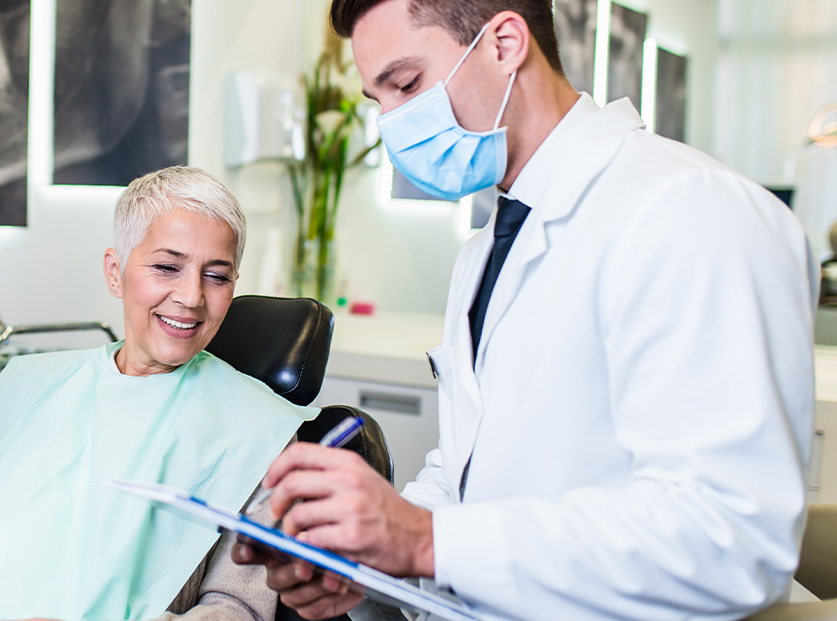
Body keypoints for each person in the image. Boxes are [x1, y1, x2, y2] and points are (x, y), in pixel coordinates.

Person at [235, 1, 817, 619]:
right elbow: (467, 475)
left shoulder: (690, 212)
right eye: (379, 99)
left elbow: (728, 540)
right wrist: (367, 560)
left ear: (505, 44)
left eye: (405, 84)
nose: (392, 123)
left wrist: (425, 541)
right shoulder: (485, 251)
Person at [0, 166, 318, 621]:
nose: (191, 296)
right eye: (167, 267)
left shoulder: (260, 432)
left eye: (216, 276)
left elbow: (238, 608)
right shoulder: (30, 384)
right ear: (115, 272)